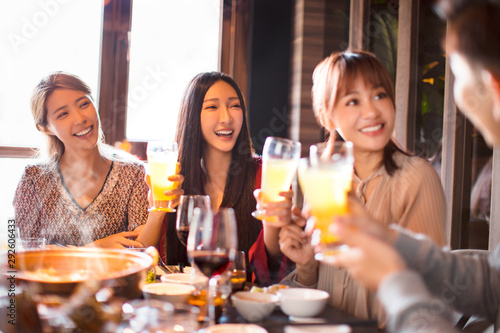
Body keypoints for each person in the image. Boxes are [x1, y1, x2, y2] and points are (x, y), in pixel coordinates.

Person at [327, 0, 500, 332]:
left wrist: (393, 279)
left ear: (492, 87)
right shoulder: (329, 176)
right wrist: (388, 238)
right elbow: (492, 286)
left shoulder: (415, 175)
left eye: (458, 75)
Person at [275, 50, 447, 326]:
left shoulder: (416, 178)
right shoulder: (320, 177)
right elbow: (312, 296)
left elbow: (430, 296)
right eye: (353, 101)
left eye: (380, 95)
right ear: (327, 118)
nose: (371, 111)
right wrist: (306, 265)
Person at [136, 72, 293, 281]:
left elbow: (271, 267)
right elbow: (144, 262)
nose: (226, 118)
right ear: (192, 115)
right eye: (212, 107)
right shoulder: (174, 178)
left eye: (234, 106)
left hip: (244, 302)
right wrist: (157, 209)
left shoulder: (265, 175)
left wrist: (274, 222)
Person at [13, 72, 181, 248]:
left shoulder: (132, 172)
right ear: (45, 128)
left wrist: (158, 210)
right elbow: (26, 254)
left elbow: (139, 249)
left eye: (84, 104)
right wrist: (94, 250)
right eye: (63, 114)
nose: (80, 118)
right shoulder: (33, 178)